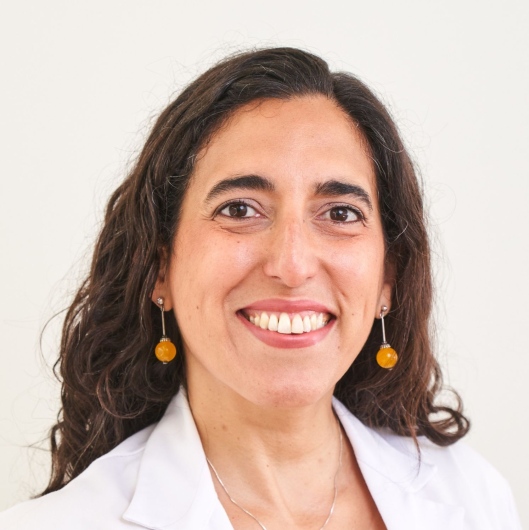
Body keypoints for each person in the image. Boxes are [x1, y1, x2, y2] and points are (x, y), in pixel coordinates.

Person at [0, 47, 521, 530]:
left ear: (388, 278)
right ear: (159, 268)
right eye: (239, 209)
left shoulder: (474, 498)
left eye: (341, 214)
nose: (292, 265)